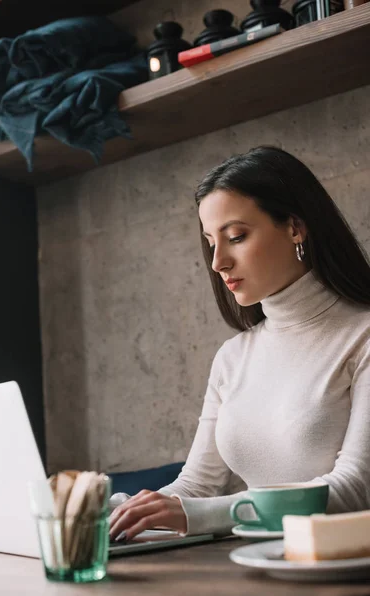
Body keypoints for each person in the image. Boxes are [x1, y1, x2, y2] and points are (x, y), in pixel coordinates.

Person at [109, 145, 370, 542]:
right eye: (211, 241)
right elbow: (196, 486)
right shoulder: (232, 357)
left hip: (335, 571)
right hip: (247, 565)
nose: (218, 263)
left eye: (236, 237)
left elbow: (355, 488)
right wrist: (113, 511)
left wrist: (205, 514)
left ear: (295, 227)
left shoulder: (361, 336)